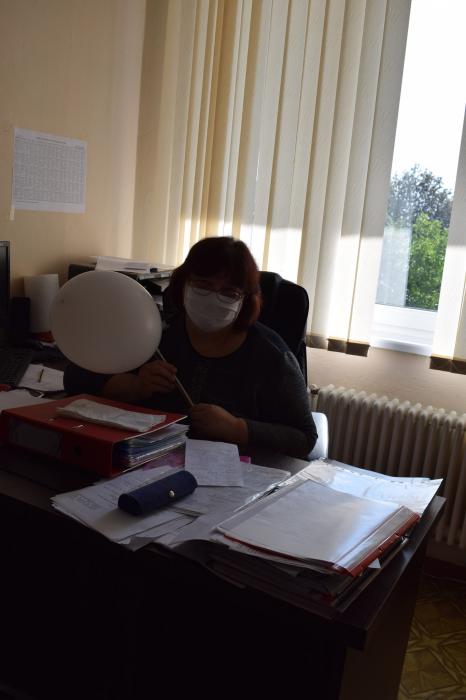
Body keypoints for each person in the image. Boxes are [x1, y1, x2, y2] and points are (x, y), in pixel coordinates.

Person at [64, 237, 317, 459]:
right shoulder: (156, 332)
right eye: (203, 285)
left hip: (236, 476)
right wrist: (135, 386)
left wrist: (238, 428)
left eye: (229, 293)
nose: (213, 298)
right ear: (183, 283)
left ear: (245, 300)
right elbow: (76, 376)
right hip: (147, 462)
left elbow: (304, 439)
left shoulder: (271, 356)